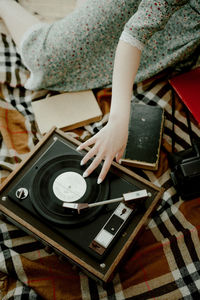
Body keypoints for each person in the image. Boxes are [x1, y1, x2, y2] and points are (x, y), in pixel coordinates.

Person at [0, 0, 199, 184]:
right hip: (143, 10)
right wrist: (118, 121)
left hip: (181, 35)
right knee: (45, 60)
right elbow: (135, 35)